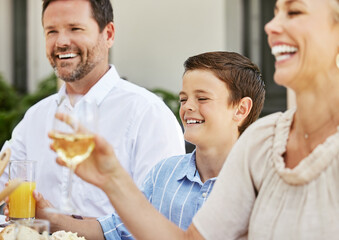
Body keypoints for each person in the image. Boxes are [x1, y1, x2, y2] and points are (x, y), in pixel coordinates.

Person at [41, 0, 339, 239]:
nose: (271, 25)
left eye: (294, 10)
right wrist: (112, 179)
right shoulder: (261, 142)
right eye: (274, 11)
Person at [27, 51, 264, 239]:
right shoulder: (164, 173)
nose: (188, 107)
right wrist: (50, 218)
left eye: (202, 98)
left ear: (241, 109)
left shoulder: (259, 182)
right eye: (184, 99)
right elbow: (114, 231)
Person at [0, 0, 185, 217]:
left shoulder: (149, 114)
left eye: (75, 29)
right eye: (51, 31)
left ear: (108, 34)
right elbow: (4, 185)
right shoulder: (36, 117)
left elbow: (160, 219)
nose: (60, 42)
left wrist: (61, 223)